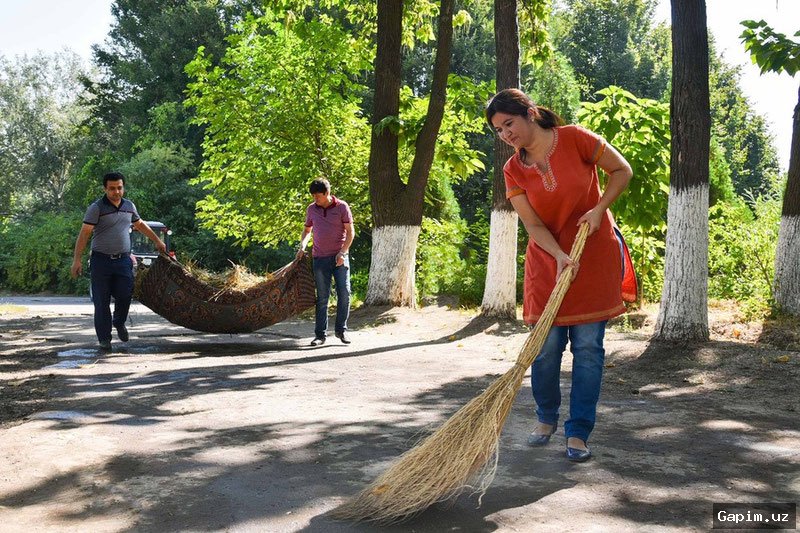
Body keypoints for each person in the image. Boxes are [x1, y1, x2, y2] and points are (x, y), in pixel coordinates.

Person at [487, 88, 634, 463]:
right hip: (548, 263)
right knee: (546, 349)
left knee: (588, 350)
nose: (506, 135)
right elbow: (533, 224)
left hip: (591, 254)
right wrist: (557, 254)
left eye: (509, 124)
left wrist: (600, 209)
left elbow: (622, 170)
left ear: (530, 113)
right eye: (499, 131)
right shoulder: (512, 169)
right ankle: (546, 418)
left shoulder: (575, 138)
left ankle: (579, 431)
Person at [70, 172, 166, 351]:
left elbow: (139, 224)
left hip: (123, 260)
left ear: (124, 187)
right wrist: (77, 260)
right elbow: (84, 234)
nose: (116, 192)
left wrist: (157, 240)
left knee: (125, 294)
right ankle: (104, 339)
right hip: (101, 262)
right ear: (105, 189)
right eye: (112, 188)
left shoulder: (129, 206)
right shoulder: (96, 208)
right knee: (101, 302)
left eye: (119, 188)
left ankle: (119, 322)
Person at [296, 178, 354, 346]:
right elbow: (307, 230)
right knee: (322, 297)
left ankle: (341, 330)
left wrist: (343, 252)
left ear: (327, 193)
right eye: (313, 196)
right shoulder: (312, 209)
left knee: (344, 293)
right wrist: (302, 246)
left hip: (339, 257)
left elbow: (350, 232)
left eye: (318, 196)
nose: (315, 199)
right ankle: (320, 335)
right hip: (320, 258)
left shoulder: (342, 207)